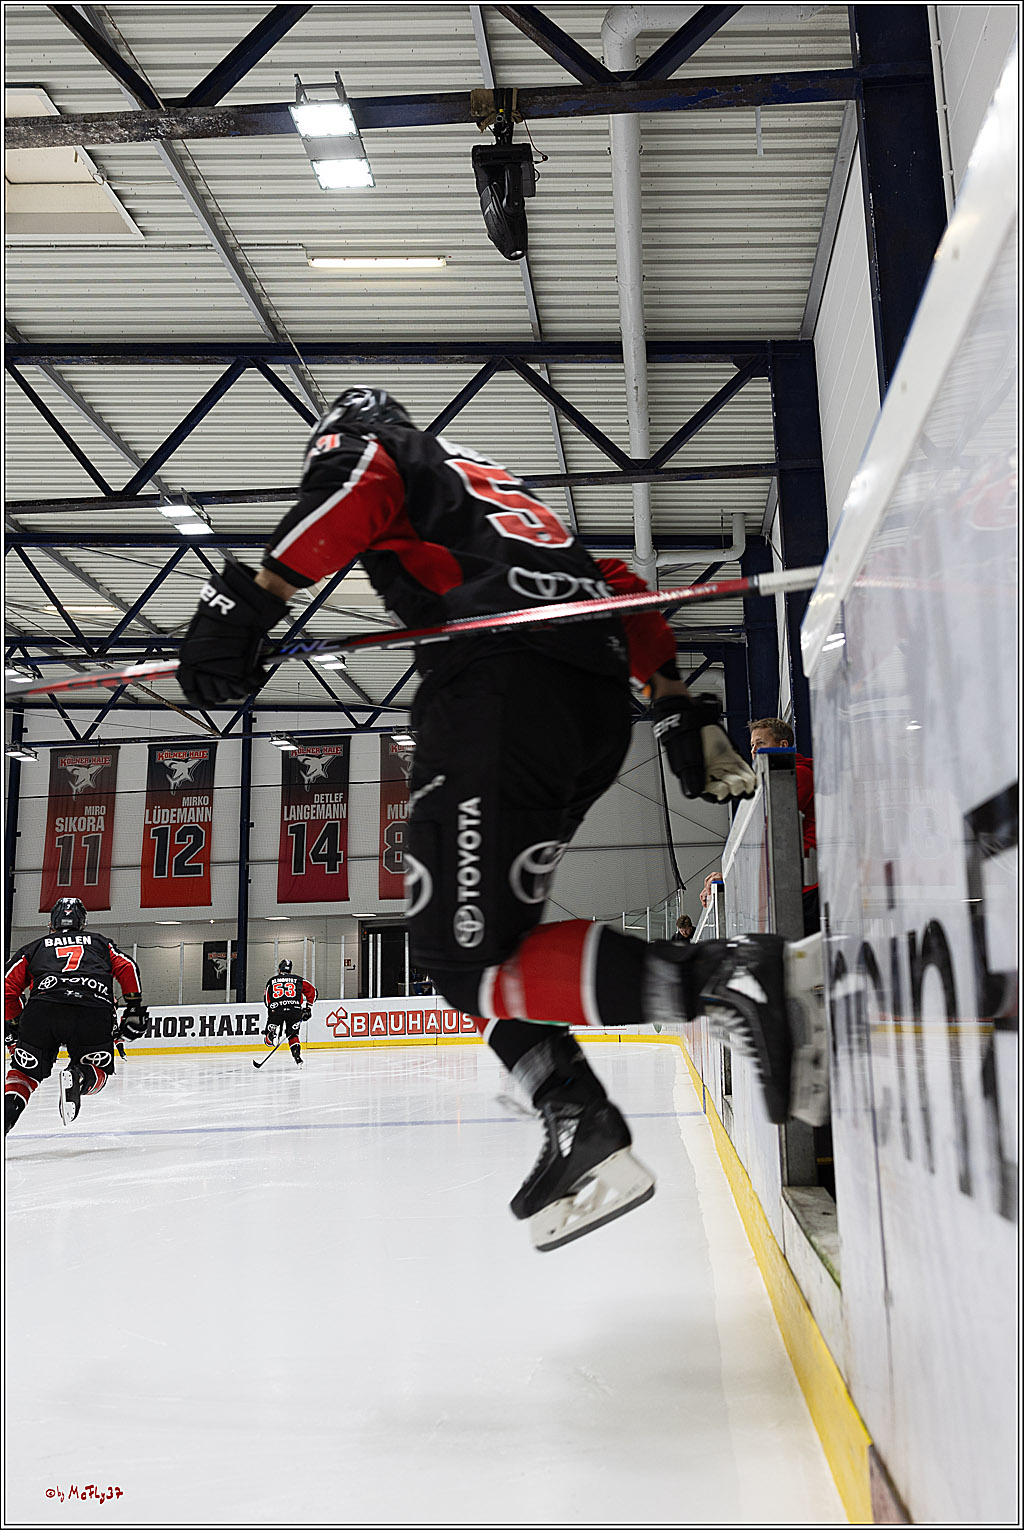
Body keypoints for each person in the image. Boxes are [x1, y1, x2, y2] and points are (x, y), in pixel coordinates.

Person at [176, 387, 824, 1251]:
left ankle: (728, 980)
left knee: (460, 956)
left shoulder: (387, 451)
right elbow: (616, 587)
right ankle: (574, 1113)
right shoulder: (494, 491)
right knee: (483, 943)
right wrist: (673, 700)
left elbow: (360, 479)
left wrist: (257, 596)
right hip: (584, 704)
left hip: (499, 689)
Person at [4, 898, 149, 1134]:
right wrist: (134, 1007)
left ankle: (6, 1115)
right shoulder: (100, 943)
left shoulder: (34, 947)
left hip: (43, 1009)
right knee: (98, 1068)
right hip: (92, 1009)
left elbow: (6, 987)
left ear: (51, 924)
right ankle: (80, 1077)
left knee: (23, 1074)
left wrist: (15, 1022)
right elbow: (127, 967)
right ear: (82, 923)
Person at [747, 717, 819, 935]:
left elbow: (771, 822)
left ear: (783, 745)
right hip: (793, 883)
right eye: (752, 745)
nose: (754, 750)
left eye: (760, 743)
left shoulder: (798, 774)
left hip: (809, 884)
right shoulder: (769, 783)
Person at [262, 958, 317, 1066]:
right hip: (294, 1009)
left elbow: (267, 999)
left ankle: (271, 1035)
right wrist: (308, 1007)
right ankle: (297, 1056)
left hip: (276, 1009)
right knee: (293, 1034)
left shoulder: (272, 981)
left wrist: (272, 1009)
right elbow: (312, 991)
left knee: (268, 1037)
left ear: (279, 969)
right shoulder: (298, 980)